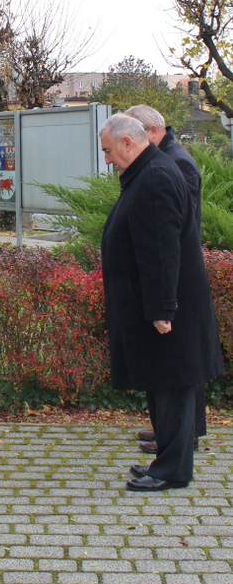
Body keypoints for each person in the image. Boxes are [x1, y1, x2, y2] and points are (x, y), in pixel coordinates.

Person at [100, 113, 222, 491]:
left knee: (172, 388)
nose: (106, 159)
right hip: (161, 306)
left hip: (168, 309)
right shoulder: (148, 172)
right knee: (163, 385)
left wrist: (162, 309)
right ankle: (165, 462)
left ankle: (172, 470)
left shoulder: (154, 177)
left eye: (108, 150)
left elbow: (161, 250)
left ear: (127, 143)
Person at [125, 105, 205, 455]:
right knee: (173, 361)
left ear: (152, 132)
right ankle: (170, 429)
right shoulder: (166, 158)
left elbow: (171, 226)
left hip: (178, 275)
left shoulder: (175, 163)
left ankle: (183, 434)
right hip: (173, 273)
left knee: (181, 363)